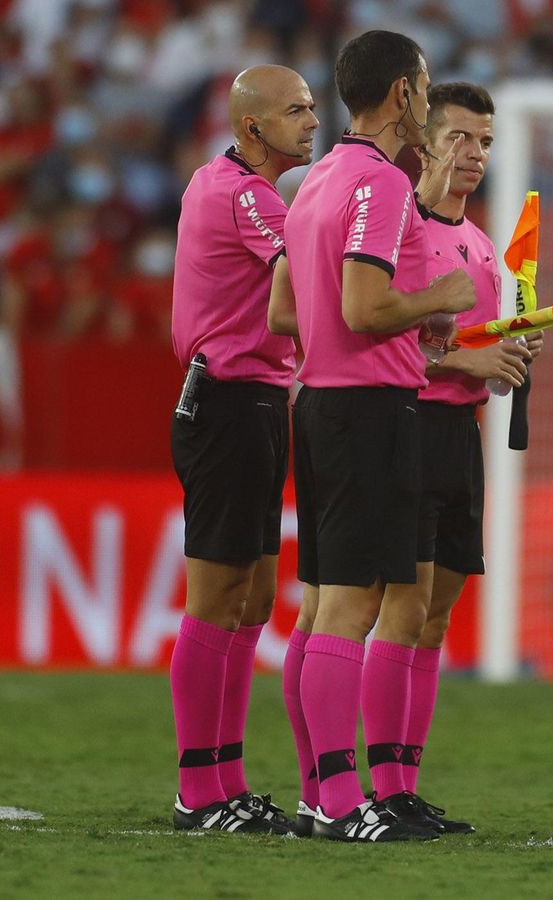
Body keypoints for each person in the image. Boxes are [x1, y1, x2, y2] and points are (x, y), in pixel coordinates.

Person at [268, 29, 473, 843]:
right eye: (424, 89)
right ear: (402, 96)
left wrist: (400, 334)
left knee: (323, 610)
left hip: (319, 403)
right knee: (353, 609)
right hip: (369, 413)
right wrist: (438, 299)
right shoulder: (384, 185)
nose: (427, 103)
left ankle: (324, 792)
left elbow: (288, 311)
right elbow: (362, 306)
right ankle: (341, 802)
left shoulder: (316, 176)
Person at [167, 64, 316, 834]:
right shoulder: (243, 196)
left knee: (254, 598)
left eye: (314, 107)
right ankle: (201, 788)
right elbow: (300, 291)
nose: (313, 121)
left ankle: (227, 781)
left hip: (255, 403)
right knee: (218, 598)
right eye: (296, 111)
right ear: (252, 128)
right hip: (226, 401)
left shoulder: (214, 184)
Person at [397, 81, 542, 833]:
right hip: (405, 429)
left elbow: (478, 346)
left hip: (462, 440)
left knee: (436, 620)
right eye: (459, 138)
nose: (474, 154)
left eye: (484, 141)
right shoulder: (395, 230)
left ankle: (405, 785)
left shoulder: (485, 247)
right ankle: (379, 786)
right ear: (423, 142)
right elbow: (365, 341)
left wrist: (509, 350)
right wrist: (467, 363)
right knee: (404, 611)